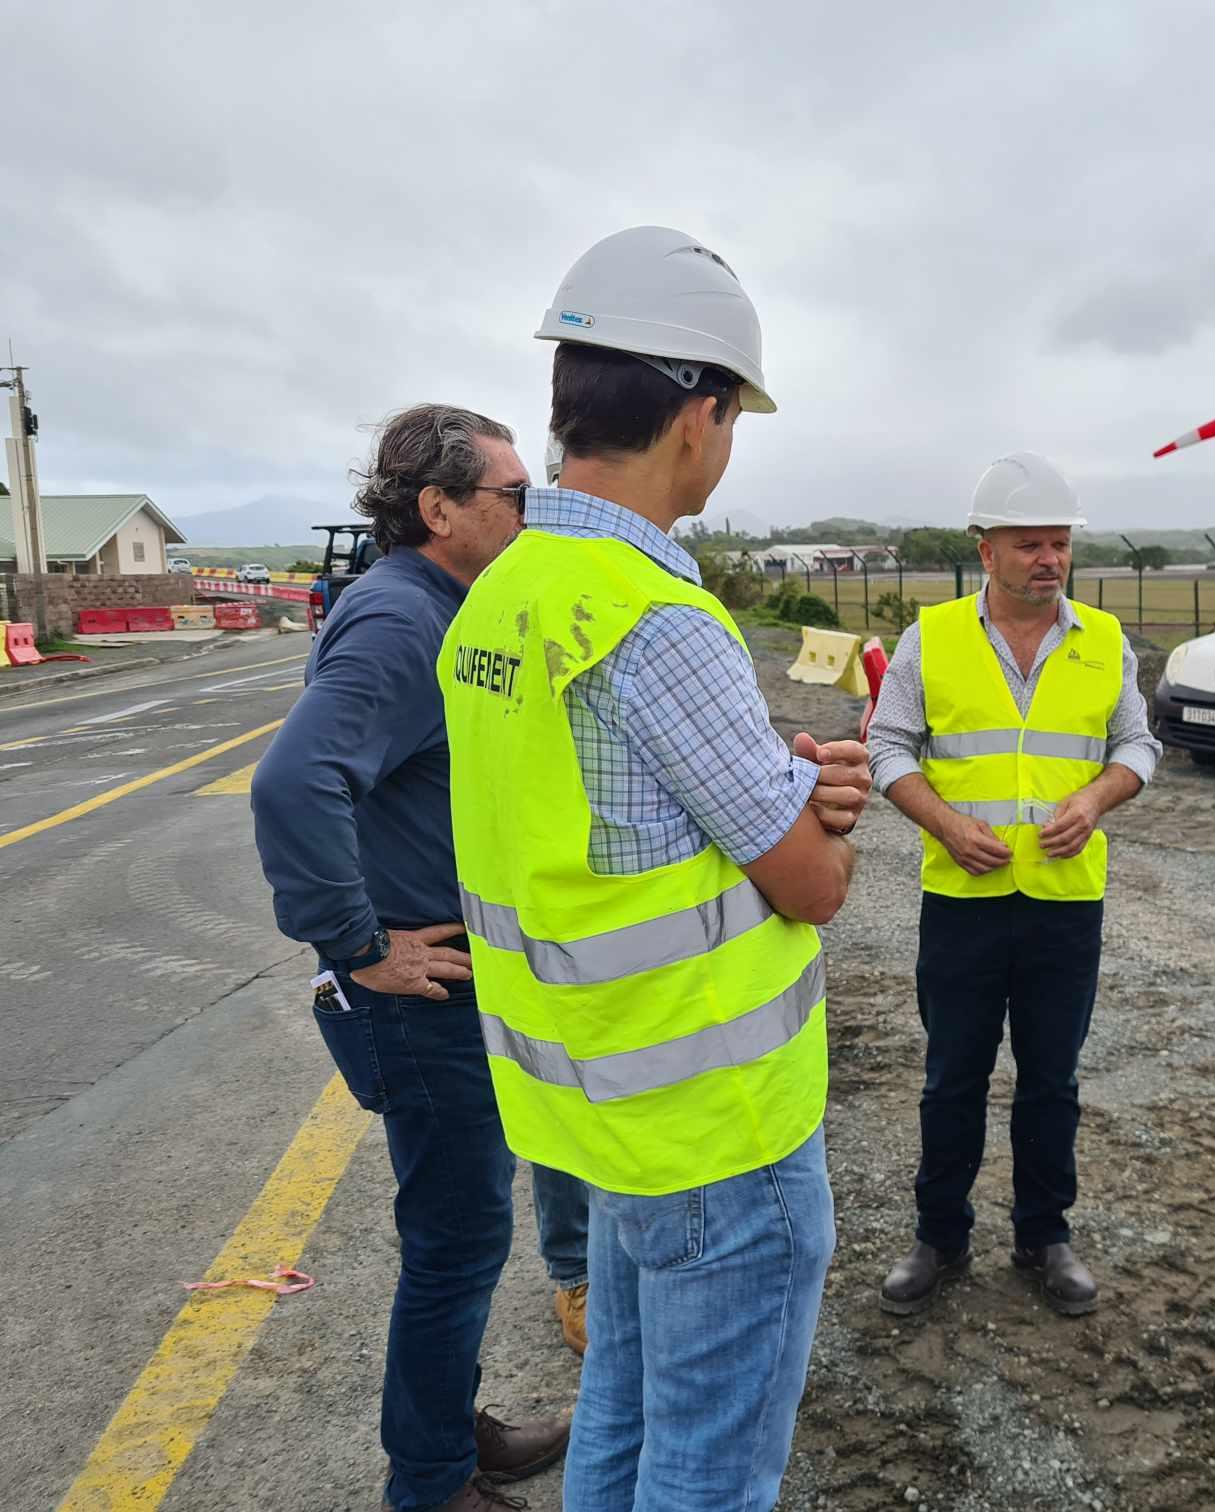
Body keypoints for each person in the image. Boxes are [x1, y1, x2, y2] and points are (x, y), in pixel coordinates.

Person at [437, 226, 870, 1512]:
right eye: (731, 417)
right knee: (706, 1472)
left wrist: (778, 792)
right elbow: (811, 886)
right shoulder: (658, 616)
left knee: (622, 1425)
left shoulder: (503, 597)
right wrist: (823, 805)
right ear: (701, 411)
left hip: (595, 1111)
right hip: (715, 1127)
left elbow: (615, 831)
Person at [251, 404, 575, 1512]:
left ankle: (447, 1433)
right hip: (419, 997)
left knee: (460, 1234)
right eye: (514, 497)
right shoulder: (401, 618)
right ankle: (432, 1485)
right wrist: (357, 943)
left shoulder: (448, 605)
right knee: (457, 1239)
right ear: (439, 508)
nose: (532, 513)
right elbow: (294, 782)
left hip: (455, 985)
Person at [868, 453, 1162, 1318]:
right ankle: (940, 1237)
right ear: (985, 549)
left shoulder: (1104, 642)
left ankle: (1044, 1235)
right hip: (961, 904)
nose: (1048, 558)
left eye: (1059, 543)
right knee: (952, 1075)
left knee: (1052, 1078)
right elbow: (890, 748)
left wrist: (1100, 797)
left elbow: (1138, 746)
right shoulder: (933, 638)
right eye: (1028, 543)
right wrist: (947, 825)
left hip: (1065, 906)